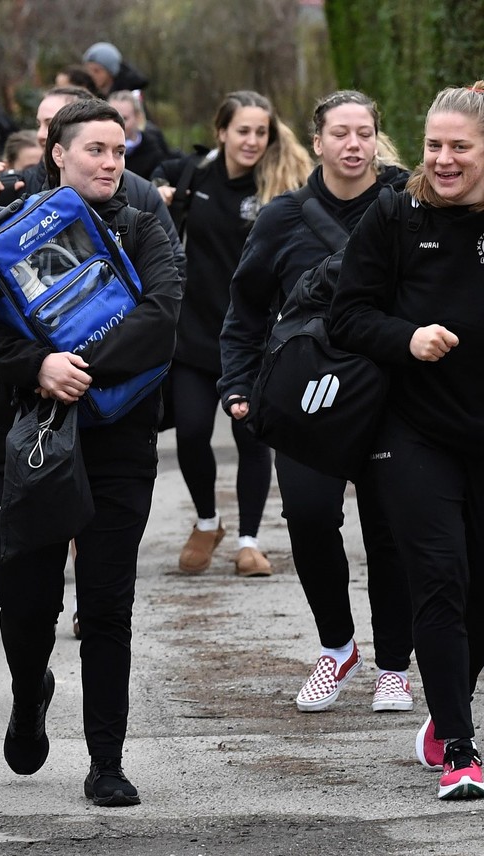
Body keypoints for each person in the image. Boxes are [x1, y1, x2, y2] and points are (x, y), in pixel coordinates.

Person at [0, 98, 181, 805]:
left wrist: (78, 364)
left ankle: (106, 762)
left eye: (118, 152)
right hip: (32, 435)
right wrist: (39, 367)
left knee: (105, 605)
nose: (110, 163)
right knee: (27, 605)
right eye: (95, 149)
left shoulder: (147, 227)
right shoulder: (8, 233)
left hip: (120, 440)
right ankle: (30, 690)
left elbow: (161, 320)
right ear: (55, 152)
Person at [220, 90, 414, 715]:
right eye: (341, 134)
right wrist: (238, 383)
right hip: (310, 396)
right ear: (318, 140)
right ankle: (337, 647)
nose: (353, 145)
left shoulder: (409, 204)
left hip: (391, 393)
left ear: (378, 138)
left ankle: (393, 665)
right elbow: (246, 307)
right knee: (306, 518)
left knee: (389, 530)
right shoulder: (283, 217)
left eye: (364, 133)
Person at [329, 82, 484, 801]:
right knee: (441, 579)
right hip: (411, 431)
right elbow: (346, 317)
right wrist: (408, 337)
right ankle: (460, 745)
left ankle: (447, 711)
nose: (443, 160)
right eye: (434, 145)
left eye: (460, 147)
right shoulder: (394, 215)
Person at [153, 91, 311, 576]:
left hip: (253, 334)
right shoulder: (194, 175)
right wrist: (159, 185)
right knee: (193, 434)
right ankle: (207, 522)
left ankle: (249, 541)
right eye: (242, 130)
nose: (252, 140)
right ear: (221, 131)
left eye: (260, 132)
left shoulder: (280, 187)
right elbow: (158, 176)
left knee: (251, 439)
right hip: (195, 330)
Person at [107, 91, 175, 185]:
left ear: (138, 118)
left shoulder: (153, 152)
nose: (118, 123)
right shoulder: (96, 149)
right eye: (112, 117)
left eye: (125, 118)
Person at [81, 41, 150, 95]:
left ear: (110, 72)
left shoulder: (130, 97)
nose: (91, 75)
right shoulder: (86, 94)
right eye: (87, 70)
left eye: (97, 71)